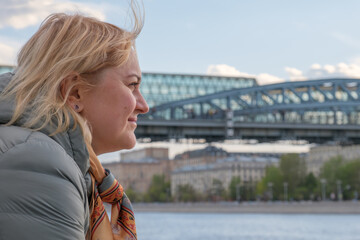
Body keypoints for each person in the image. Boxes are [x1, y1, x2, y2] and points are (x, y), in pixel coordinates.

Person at [0, 3, 148, 240]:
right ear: (75, 93)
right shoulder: (38, 162)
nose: (143, 105)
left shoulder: (51, 157)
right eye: (132, 85)